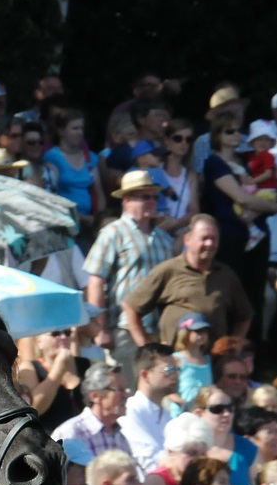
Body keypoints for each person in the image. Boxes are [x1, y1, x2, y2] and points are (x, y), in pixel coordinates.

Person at [83, 170, 173, 388]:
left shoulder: (162, 238)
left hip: (158, 328)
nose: (151, 201)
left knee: (160, 391)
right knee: (128, 391)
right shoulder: (113, 232)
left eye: (154, 196)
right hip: (123, 328)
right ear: (126, 199)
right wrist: (101, 328)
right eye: (144, 196)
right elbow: (95, 282)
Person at [122, 214, 251, 354]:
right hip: (175, 362)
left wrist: (233, 347)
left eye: (213, 239)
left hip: (212, 364)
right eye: (204, 238)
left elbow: (244, 316)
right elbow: (131, 307)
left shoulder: (226, 274)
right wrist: (148, 349)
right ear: (187, 239)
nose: (209, 244)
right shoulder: (169, 270)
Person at [201, 117, 274, 340]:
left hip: (258, 236)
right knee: (231, 295)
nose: (235, 135)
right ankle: (228, 352)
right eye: (228, 131)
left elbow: (267, 186)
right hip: (230, 237)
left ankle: (253, 354)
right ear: (217, 136)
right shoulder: (214, 163)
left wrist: (264, 206)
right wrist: (272, 206)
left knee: (255, 296)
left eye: (238, 131)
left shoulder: (248, 161)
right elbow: (242, 198)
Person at [50, 362, 133, 459]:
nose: (126, 395)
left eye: (126, 390)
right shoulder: (71, 432)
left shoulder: (120, 437)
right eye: (119, 390)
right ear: (95, 396)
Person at [118, 343, 180, 470]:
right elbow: (147, 458)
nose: (175, 376)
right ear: (145, 375)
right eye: (168, 370)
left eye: (176, 369)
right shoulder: (130, 411)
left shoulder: (168, 417)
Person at [43, 106, 104, 235]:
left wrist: (99, 219)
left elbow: (98, 192)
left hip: (91, 224)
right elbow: (51, 197)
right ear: (61, 131)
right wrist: (82, 218)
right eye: (75, 128)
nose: (80, 132)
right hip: (64, 224)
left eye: (82, 128)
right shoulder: (52, 158)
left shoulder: (90, 158)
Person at [190, 382, 255, 485]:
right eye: (217, 409)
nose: (227, 414)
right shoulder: (190, 449)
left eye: (230, 408)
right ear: (199, 413)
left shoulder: (247, 447)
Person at [17, 327, 89, 434]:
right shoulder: (30, 368)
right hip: (51, 439)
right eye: (55, 334)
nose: (63, 337)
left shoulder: (84, 364)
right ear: (39, 342)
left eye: (67, 332)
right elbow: (33, 409)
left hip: (87, 437)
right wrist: (58, 370)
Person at [143, 411, 211, 485]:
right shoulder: (157, 480)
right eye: (192, 453)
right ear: (171, 452)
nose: (199, 460)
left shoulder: (203, 480)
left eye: (203, 454)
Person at [191, 84, 246, 176]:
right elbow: (199, 175)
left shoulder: (249, 140)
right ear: (219, 116)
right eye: (232, 112)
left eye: (239, 110)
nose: (238, 115)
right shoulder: (204, 141)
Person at [172, 311, 212, 404]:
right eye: (197, 331)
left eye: (204, 331)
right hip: (182, 410)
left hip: (203, 409)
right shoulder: (177, 359)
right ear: (184, 333)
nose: (202, 335)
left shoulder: (207, 359)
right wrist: (182, 403)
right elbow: (168, 389)